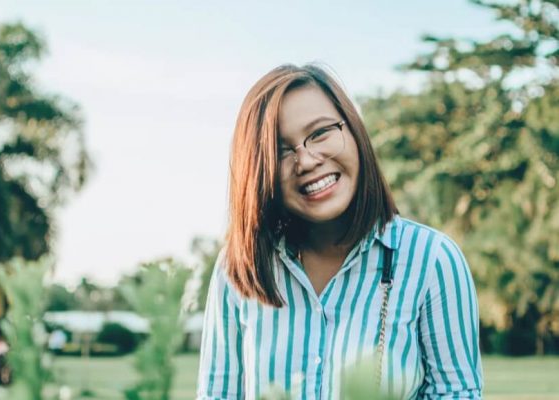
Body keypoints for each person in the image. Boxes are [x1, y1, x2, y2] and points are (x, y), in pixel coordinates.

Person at [196, 64, 483, 399]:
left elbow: (457, 393)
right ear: (260, 170)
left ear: (354, 132)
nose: (306, 161)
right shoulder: (238, 268)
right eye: (281, 150)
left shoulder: (432, 260)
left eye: (320, 133)